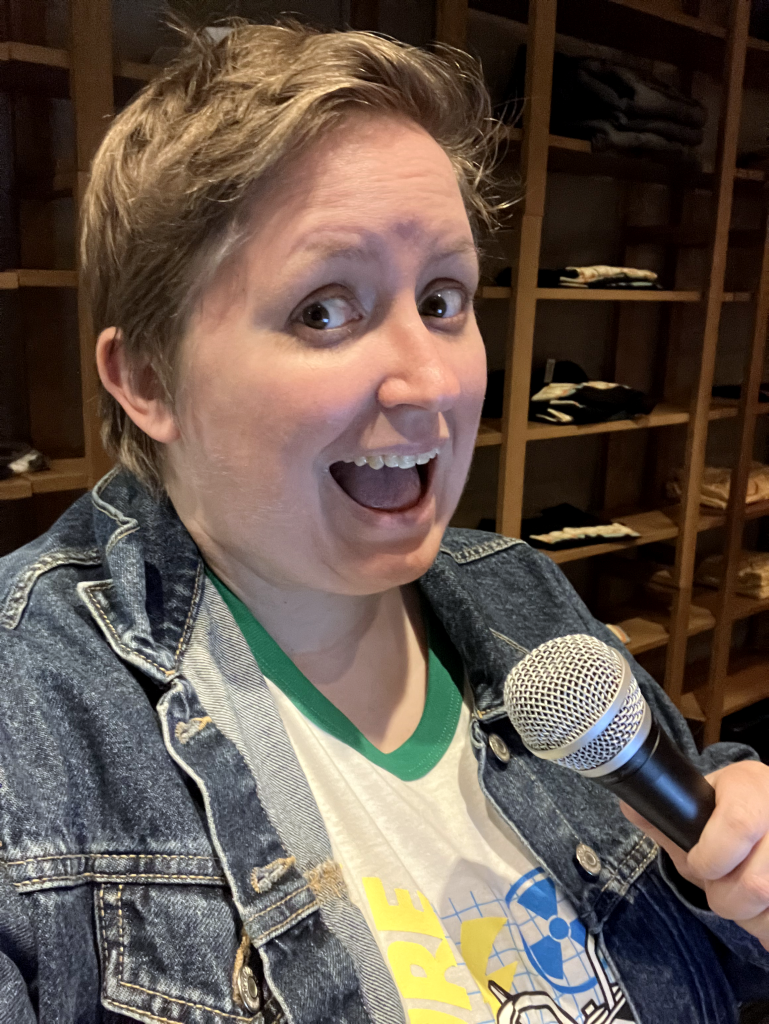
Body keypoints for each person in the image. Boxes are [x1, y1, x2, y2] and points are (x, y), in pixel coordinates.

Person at [0, 20, 767, 1024]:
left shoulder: (519, 595)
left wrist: (739, 858)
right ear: (148, 378)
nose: (433, 381)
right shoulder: (33, 717)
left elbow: (703, 894)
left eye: (444, 299)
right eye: (325, 309)